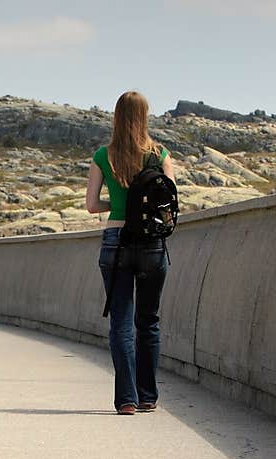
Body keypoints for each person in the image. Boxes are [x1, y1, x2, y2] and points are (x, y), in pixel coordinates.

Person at [85, 91, 176, 416]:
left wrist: (121, 205)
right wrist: (143, 208)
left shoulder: (103, 155)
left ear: (117, 117)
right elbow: (168, 205)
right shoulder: (160, 153)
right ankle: (148, 395)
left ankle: (126, 399)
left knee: (121, 322)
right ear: (145, 116)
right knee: (148, 321)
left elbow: (92, 205)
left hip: (116, 241)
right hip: (151, 244)